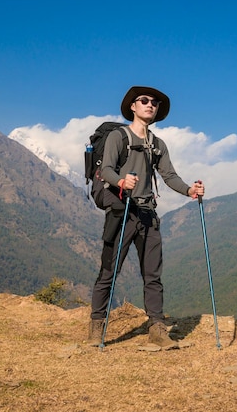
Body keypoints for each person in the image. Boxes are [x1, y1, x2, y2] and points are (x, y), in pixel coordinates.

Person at [88, 86, 205, 348]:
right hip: (122, 211)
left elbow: (169, 176)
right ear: (133, 106)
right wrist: (121, 181)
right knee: (109, 271)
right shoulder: (118, 137)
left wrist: (189, 190)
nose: (150, 104)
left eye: (155, 102)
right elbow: (105, 170)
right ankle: (97, 328)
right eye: (144, 100)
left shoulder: (157, 144)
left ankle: (157, 328)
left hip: (148, 213)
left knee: (152, 274)